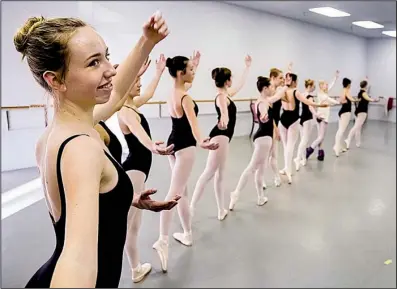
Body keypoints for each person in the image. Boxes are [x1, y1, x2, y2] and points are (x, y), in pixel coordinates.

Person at [15, 12, 178, 288]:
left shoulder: (59, 132)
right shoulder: (81, 148)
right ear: (56, 80)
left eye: (106, 55)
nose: (110, 69)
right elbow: (77, 261)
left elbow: (115, 96)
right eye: (94, 63)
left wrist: (146, 41)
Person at [152, 55, 219, 273]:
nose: (194, 72)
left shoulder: (173, 93)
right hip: (186, 147)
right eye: (190, 69)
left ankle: (187, 233)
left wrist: (196, 63)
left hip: (174, 142)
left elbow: (187, 84)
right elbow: (194, 125)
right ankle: (163, 239)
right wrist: (203, 141)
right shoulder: (186, 99)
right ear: (181, 73)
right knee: (174, 194)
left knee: (182, 192)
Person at [117, 53, 177, 283]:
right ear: (126, 84)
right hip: (133, 171)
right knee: (127, 224)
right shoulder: (125, 111)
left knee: (135, 225)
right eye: (136, 80)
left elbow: (149, 92)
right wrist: (152, 145)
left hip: (138, 172)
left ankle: (136, 268)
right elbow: (139, 133)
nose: (140, 83)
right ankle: (126, 268)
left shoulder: (133, 105)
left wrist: (159, 72)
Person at [190, 55, 252, 221]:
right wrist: (224, 120)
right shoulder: (222, 97)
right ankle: (191, 207)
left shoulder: (227, 94)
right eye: (231, 77)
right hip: (220, 136)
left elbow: (240, 85)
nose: (233, 80)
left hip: (223, 137)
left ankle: (220, 209)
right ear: (226, 81)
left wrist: (247, 68)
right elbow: (223, 112)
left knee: (220, 175)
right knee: (209, 173)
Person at [229, 77, 288, 210]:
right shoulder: (262, 103)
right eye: (271, 87)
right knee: (252, 168)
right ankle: (236, 192)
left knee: (260, 170)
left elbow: (278, 96)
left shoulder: (264, 100)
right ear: (265, 88)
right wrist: (264, 115)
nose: (273, 89)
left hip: (263, 138)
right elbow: (263, 111)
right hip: (264, 139)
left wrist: (286, 86)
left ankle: (261, 197)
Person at [279, 73, 327, 183]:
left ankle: (287, 168)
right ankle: (289, 170)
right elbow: (308, 102)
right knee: (290, 147)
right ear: (295, 82)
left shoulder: (282, 91)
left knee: (286, 146)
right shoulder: (295, 92)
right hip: (292, 120)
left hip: (283, 119)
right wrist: (320, 106)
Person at [306, 71, 340, 161]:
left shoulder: (324, 93)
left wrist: (335, 78)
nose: (327, 86)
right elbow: (329, 99)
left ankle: (320, 153)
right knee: (321, 137)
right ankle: (309, 149)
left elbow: (331, 86)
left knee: (320, 136)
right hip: (322, 117)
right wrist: (339, 102)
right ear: (321, 86)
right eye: (325, 85)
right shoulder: (321, 94)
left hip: (321, 117)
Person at [293, 79, 321, 170]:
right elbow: (310, 107)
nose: (314, 88)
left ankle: (303, 159)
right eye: (313, 86)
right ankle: (298, 158)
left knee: (303, 140)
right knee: (304, 140)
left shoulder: (302, 94)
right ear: (310, 86)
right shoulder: (310, 96)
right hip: (308, 120)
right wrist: (316, 114)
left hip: (302, 119)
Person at [345, 79, 379, 149]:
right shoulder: (364, 93)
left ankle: (358, 143)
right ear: (365, 86)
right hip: (362, 112)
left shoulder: (359, 92)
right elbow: (368, 99)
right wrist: (376, 100)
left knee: (358, 128)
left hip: (358, 111)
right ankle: (348, 139)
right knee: (356, 127)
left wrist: (366, 80)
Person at [333, 77, 359, 156]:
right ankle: (336, 147)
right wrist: (358, 100)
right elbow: (351, 99)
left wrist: (345, 101)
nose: (350, 85)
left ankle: (339, 147)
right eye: (350, 84)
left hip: (342, 112)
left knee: (340, 130)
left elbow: (341, 101)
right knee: (341, 131)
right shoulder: (346, 91)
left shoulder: (343, 91)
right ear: (348, 84)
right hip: (345, 112)